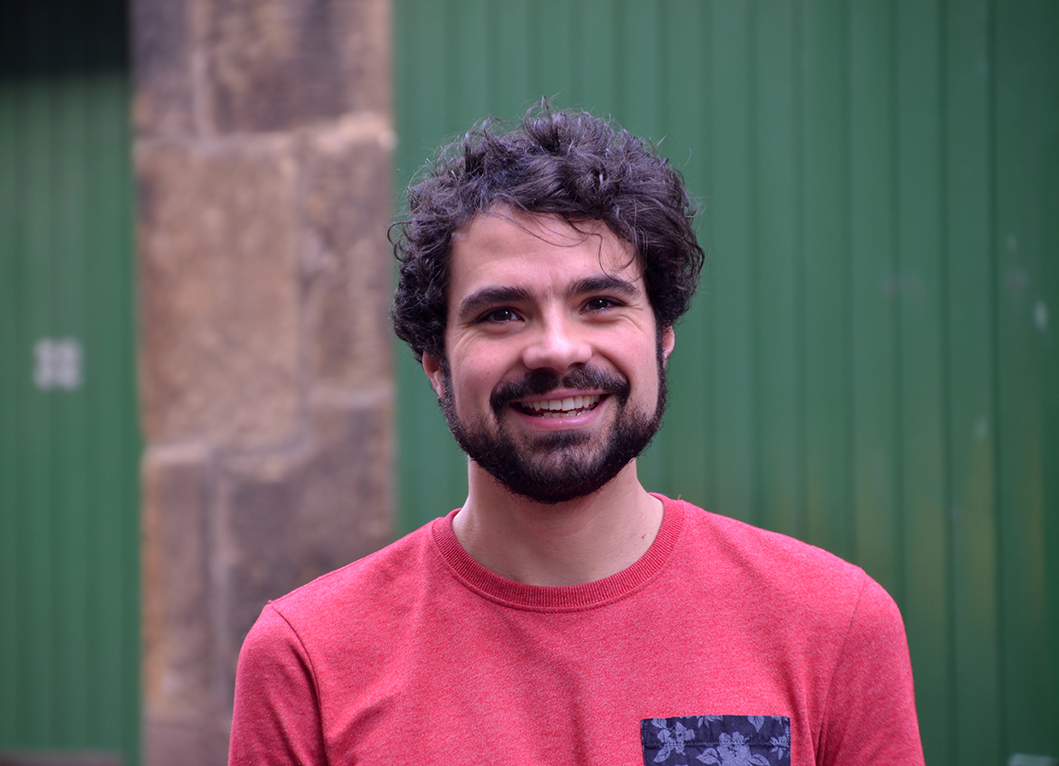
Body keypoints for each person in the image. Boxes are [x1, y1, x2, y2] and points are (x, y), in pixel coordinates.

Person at [228, 104, 925, 765]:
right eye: (502, 313)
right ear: (435, 364)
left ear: (663, 336)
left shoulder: (833, 625)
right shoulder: (308, 659)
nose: (557, 350)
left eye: (600, 303)